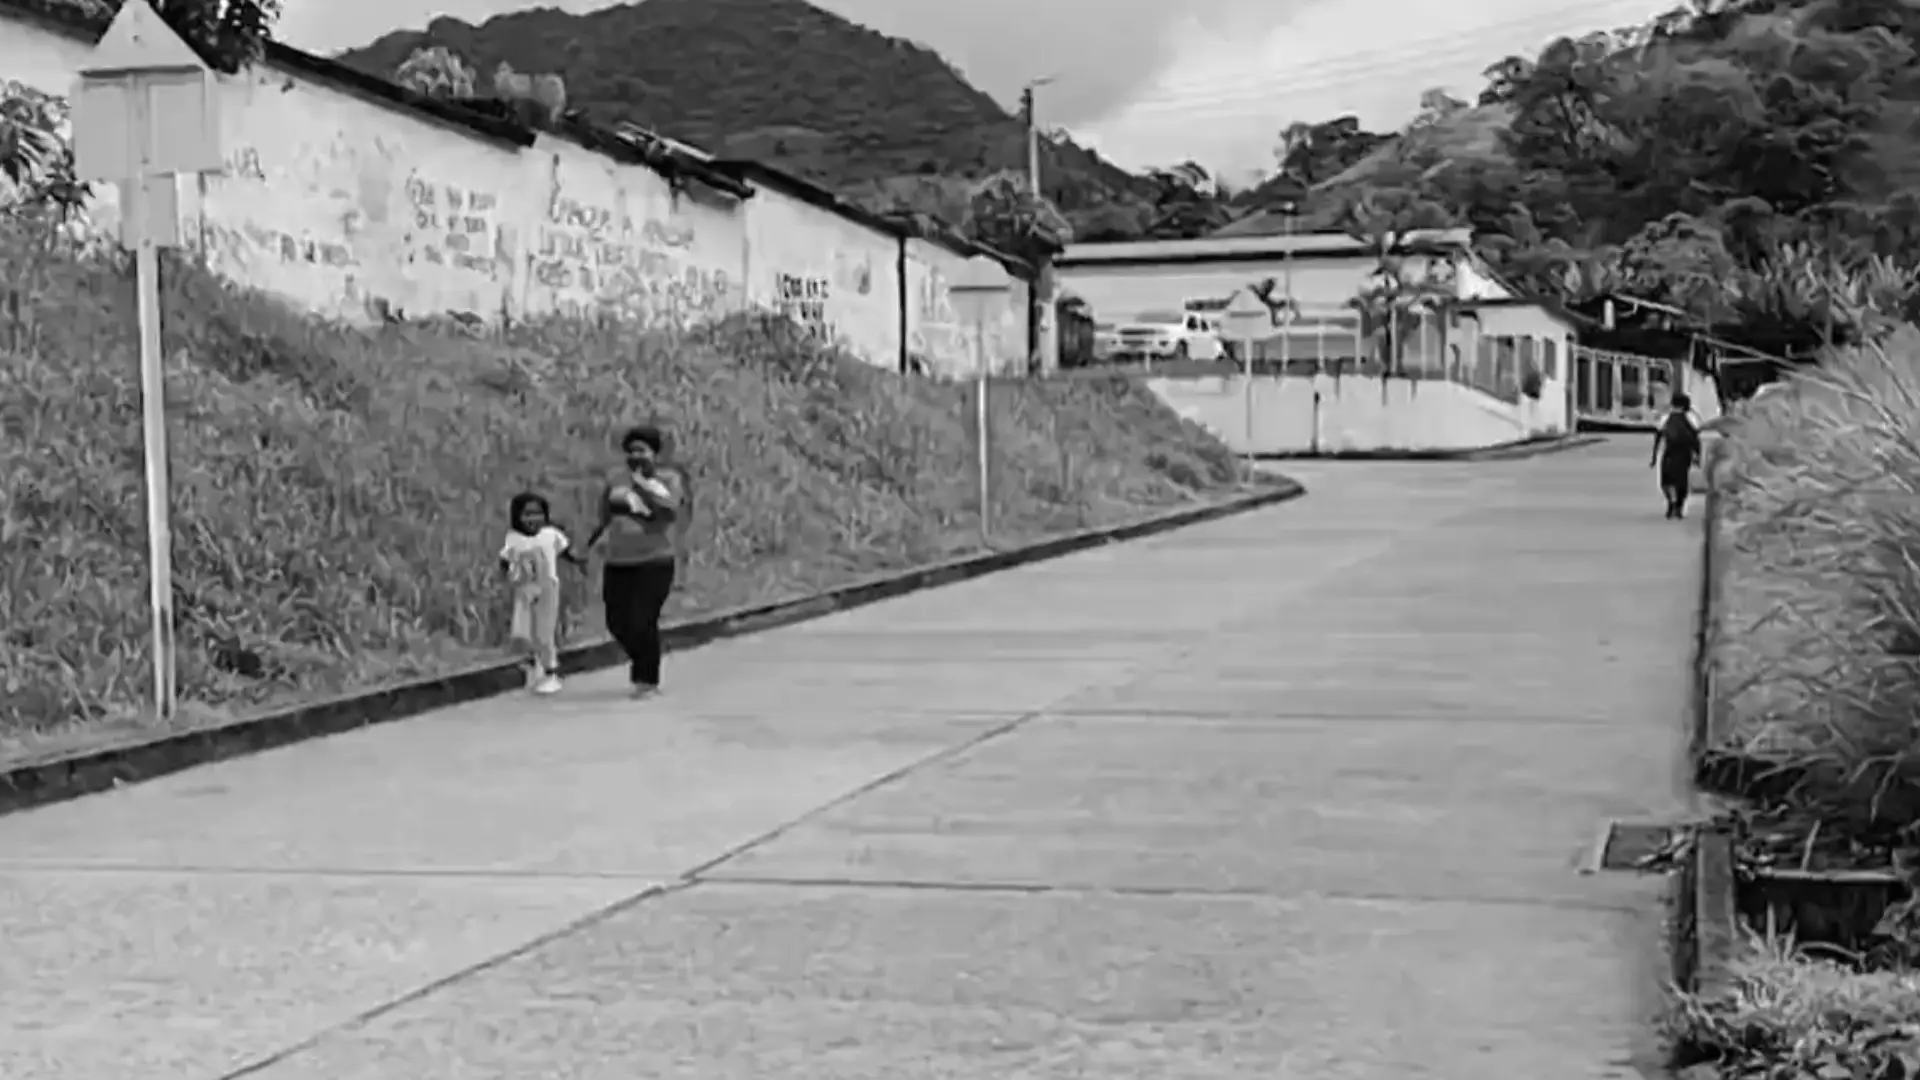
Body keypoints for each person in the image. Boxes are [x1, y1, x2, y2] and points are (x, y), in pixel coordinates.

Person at [586, 424, 691, 699]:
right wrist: (594, 543)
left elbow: (669, 511)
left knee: (643, 619)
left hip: (655, 560)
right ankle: (644, 656)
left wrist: (644, 484)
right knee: (617, 622)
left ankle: (646, 678)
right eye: (631, 451)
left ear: (654, 453)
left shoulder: (669, 479)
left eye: (642, 450)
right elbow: (606, 515)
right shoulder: (616, 479)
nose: (636, 455)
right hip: (619, 560)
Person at [499, 491, 583, 694]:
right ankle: (534, 663)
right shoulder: (513, 538)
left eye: (538, 513)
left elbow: (567, 552)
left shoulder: (551, 535)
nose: (532, 519)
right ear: (516, 516)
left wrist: (580, 561)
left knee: (545, 633)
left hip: (548, 588)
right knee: (523, 632)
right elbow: (505, 560)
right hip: (524, 590)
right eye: (526, 514)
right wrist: (507, 574)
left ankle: (550, 672)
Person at [1650, 392, 1703, 520]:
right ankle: (1679, 506)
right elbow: (1696, 439)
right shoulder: (1691, 418)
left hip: (1669, 452)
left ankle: (1670, 502)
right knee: (1682, 480)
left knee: (1666, 481)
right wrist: (1698, 455)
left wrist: (1654, 456)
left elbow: (1658, 436)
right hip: (1685, 453)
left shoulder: (1665, 417)